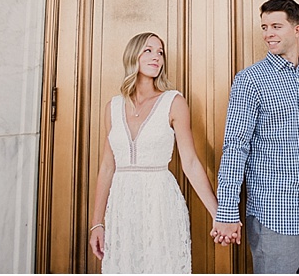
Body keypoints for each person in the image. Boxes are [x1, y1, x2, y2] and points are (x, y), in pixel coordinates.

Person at [211, 0, 299, 273]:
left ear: (297, 29)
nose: (268, 34)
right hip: (276, 216)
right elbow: (236, 146)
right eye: (265, 27)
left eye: (276, 26)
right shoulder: (250, 80)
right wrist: (227, 211)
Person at [89, 32, 219, 273]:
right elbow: (108, 166)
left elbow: (190, 162)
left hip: (160, 203)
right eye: (148, 50)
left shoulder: (173, 101)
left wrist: (218, 214)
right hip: (122, 205)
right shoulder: (113, 107)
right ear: (133, 55)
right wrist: (96, 224)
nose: (156, 57)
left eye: (160, 52)